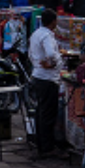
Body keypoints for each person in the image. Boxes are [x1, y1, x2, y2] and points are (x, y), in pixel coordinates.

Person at [26, 8, 63, 156]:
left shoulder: (36, 34)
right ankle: (47, 147)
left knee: (41, 112)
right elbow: (50, 53)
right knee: (47, 114)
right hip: (47, 78)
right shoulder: (46, 36)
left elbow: (30, 54)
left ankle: (42, 144)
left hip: (38, 75)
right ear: (53, 21)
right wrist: (53, 63)